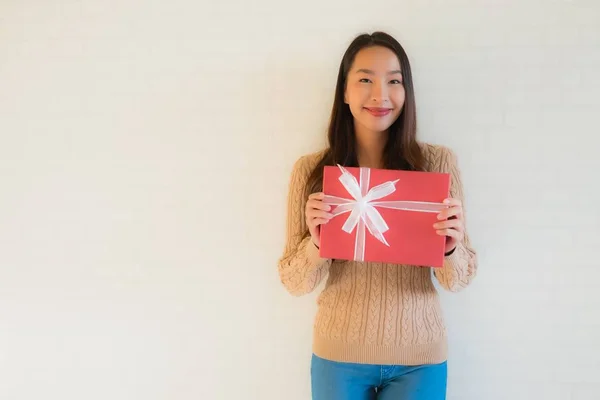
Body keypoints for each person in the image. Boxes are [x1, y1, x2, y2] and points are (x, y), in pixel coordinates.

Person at [277, 31, 478, 400]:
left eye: (394, 81)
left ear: (407, 91)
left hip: (420, 358)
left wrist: (450, 249)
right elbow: (294, 282)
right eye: (365, 79)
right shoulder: (313, 172)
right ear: (344, 90)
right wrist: (317, 244)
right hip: (339, 356)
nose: (380, 95)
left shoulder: (436, 164)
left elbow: (459, 280)